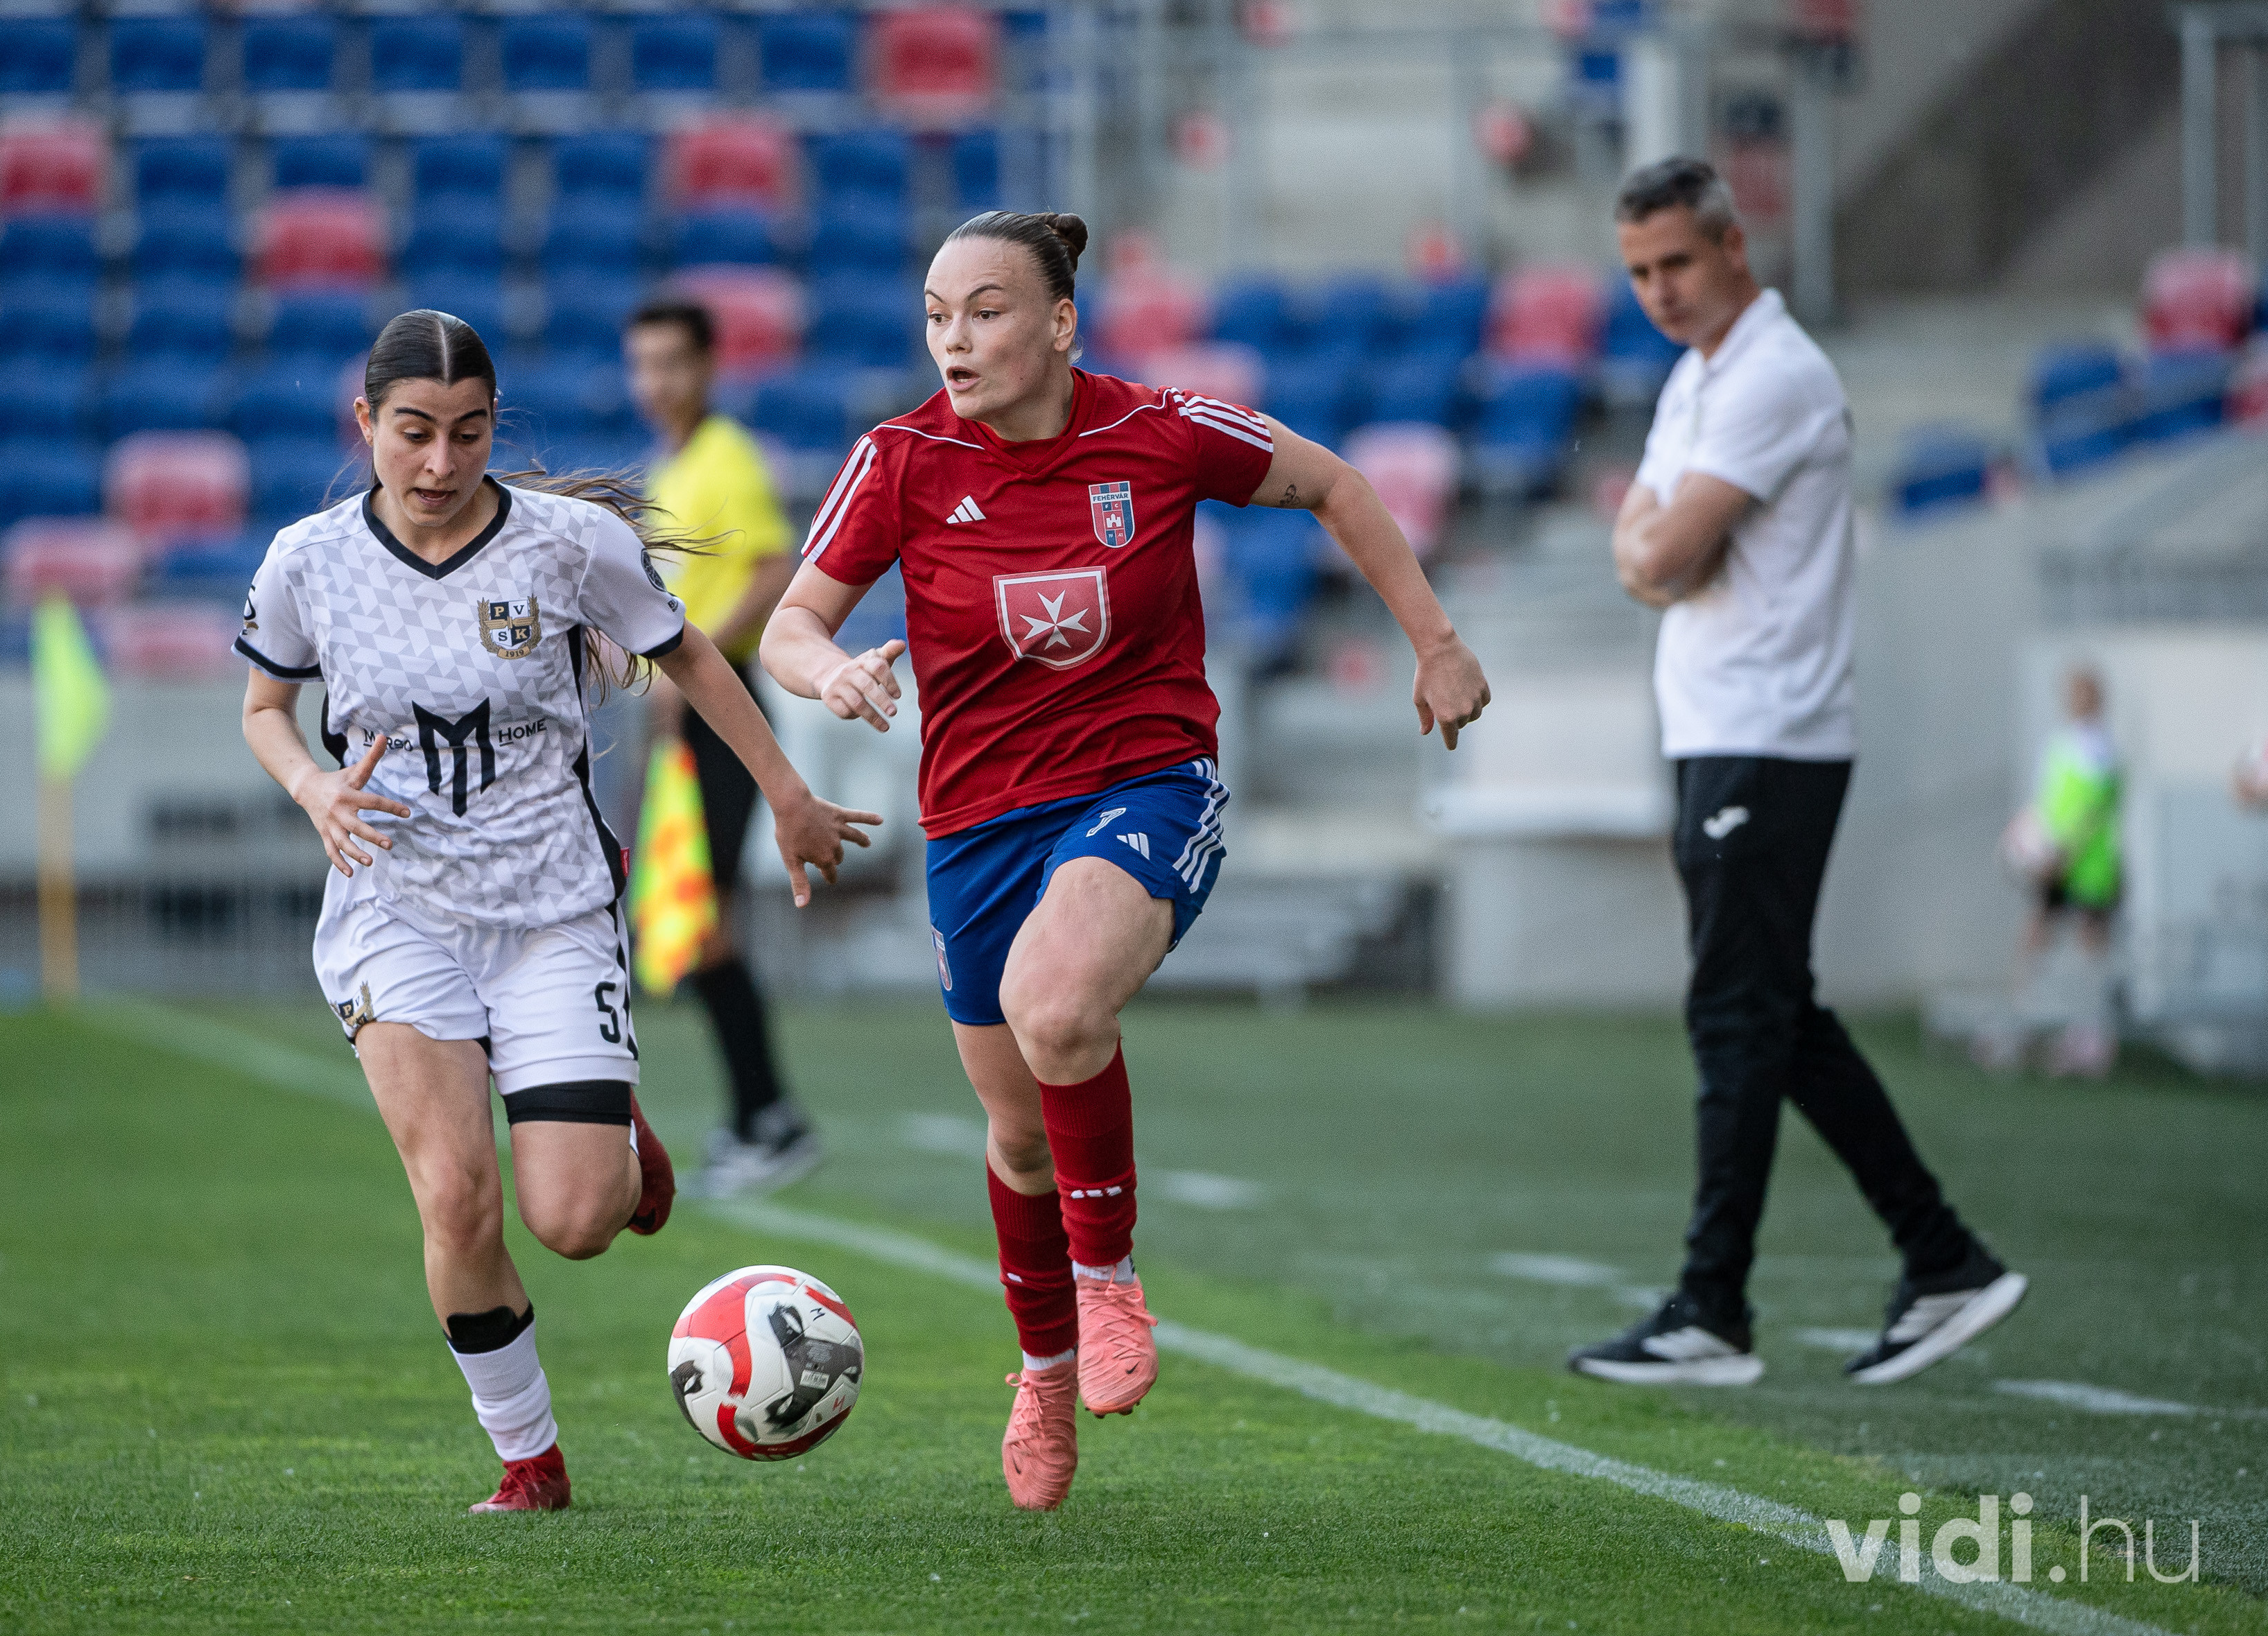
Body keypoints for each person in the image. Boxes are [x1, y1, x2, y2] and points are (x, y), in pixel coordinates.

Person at [759, 211, 1491, 1510]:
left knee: (1056, 1007)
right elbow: (791, 625)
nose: (953, 340)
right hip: (976, 824)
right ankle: (1044, 1375)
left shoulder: (1162, 432)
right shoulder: (901, 459)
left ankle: (1109, 1285)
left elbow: (1336, 484)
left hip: (1143, 783)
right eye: (936, 316)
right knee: (1017, 1136)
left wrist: (1433, 642)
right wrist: (834, 675)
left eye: (985, 311)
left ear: (1060, 324)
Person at [236, 311, 876, 1514]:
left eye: (468, 433)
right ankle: (529, 1461)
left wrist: (788, 795)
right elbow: (265, 709)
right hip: (395, 913)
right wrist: (314, 786)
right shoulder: (306, 562)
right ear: (366, 422)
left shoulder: (569, 545)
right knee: (455, 1198)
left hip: (553, 913)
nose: (440, 462)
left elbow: (691, 655)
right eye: (414, 433)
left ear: (495, 427)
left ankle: (612, 1130)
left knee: (576, 1221)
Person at [1570, 158, 2027, 1389]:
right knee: (1775, 1011)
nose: (1660, 291)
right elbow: (1641, 548)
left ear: (1734, 247)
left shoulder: (1773, 374)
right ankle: (1941, 1257)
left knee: (1738, 1014)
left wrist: (1657, 547)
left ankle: (1714, 1305)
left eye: (1676, 261)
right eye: (1640, 272)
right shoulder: (1700, 378)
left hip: (1766, 734)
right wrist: (1655, 549)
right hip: (1724, 731)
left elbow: (1660, 546)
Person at [623, 297, 822, 1198]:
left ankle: (769, 1118)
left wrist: (689, 658)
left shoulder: (727, 458)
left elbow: (775, 570)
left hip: (723, 710)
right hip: (682, 722)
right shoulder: (670, 468)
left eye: (672, 362)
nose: (656, 381)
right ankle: (757, 1117)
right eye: (643, 363)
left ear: (707, 367)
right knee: (689, 918)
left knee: (705, 922)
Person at [2007, 667, 2122, 1077]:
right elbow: (2046, 802)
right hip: (2054, 862)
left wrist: (2065, 854)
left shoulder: (2102, 748)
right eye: (2073, 693)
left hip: (2089, 867)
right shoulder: (2059, 743)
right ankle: (2022, 1022)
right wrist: (2029, 841)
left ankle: (2090, 1037)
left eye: (2085, 694)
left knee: (2091, 943)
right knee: (2036, 934)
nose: (2077, 701)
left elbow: (2094, 810)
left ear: (2098, 699)